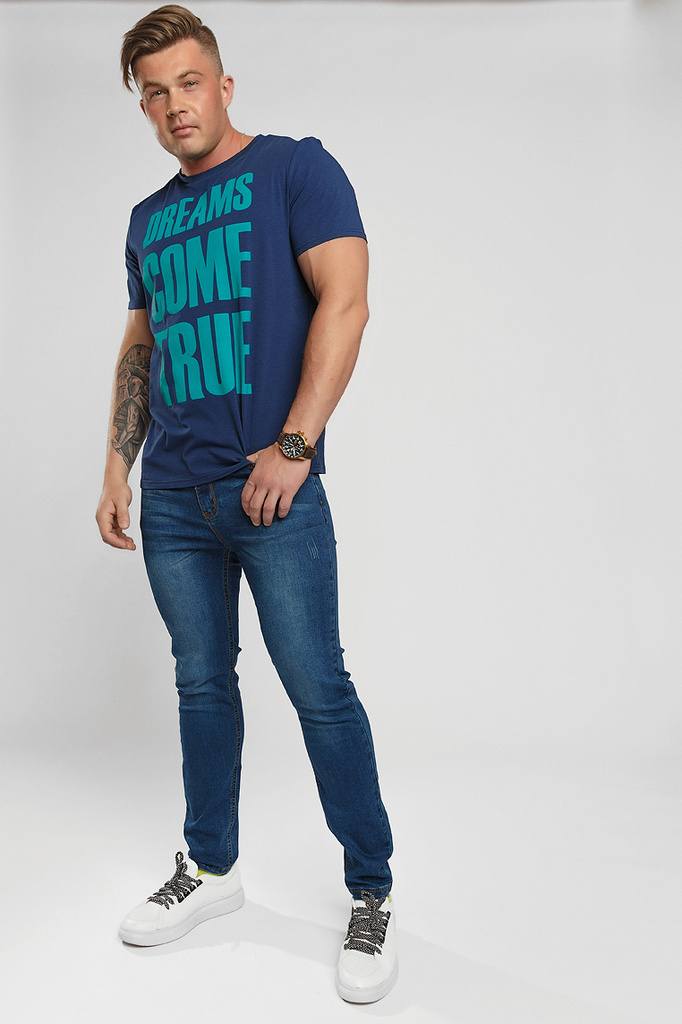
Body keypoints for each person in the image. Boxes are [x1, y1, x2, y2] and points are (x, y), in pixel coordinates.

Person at [95, 4, 396, 1004]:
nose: (175, 105)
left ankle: (370, 887)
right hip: (173, 498)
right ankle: (212, 867)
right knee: (200, 684)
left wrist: (296, 446)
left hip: (273, 492)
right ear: (144, 108)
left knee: (319, 687)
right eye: (155, 93)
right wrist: (116, 467)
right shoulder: (147, 220)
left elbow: (347, 301)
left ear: (223, 86)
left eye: (189, 83)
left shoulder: (295, 170)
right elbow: (142, 345)